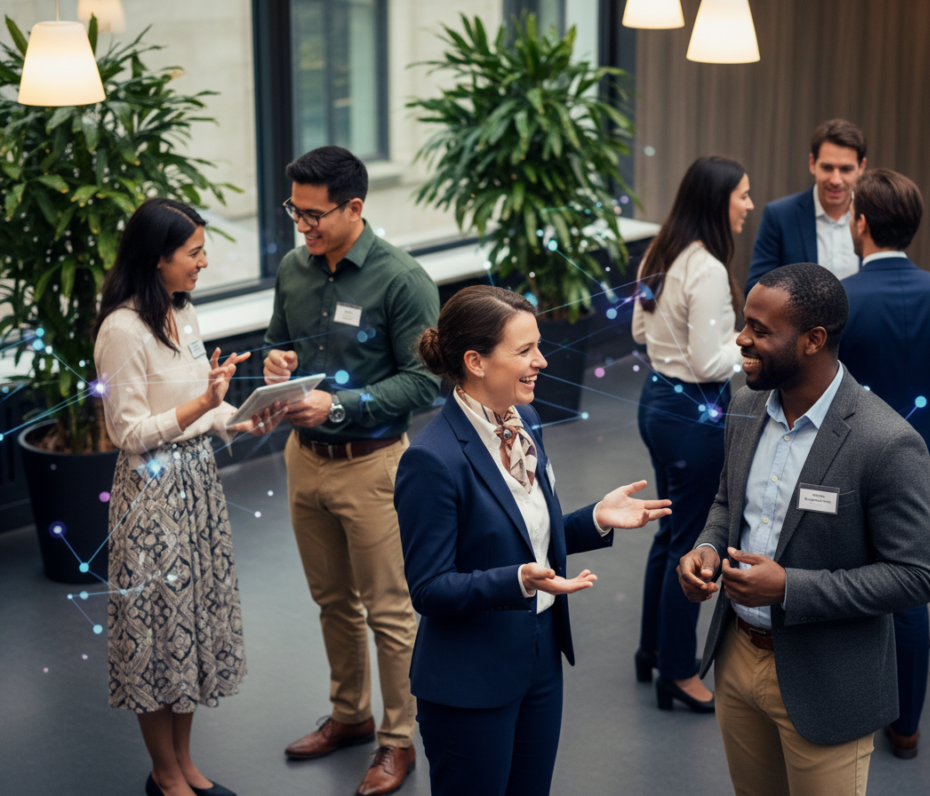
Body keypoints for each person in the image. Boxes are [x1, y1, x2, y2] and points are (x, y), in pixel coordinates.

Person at [395, 285, 671, 796]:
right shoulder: (431, 461)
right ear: (475, 361)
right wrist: (519, 580)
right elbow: (430, 588)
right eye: (524, 350)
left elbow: (524, 535)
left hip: (540, 661)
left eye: (538, 346)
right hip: (469, 682)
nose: (541, 361)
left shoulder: (528, 424)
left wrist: (596, 520)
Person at [678, 263, 930, 796]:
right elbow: (728, 501)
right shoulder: (745, 403)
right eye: (744, 322)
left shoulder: (887, 442)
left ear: (814, 340)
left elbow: (915, 577)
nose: (741, 338)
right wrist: (706, 547)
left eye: (760, 329)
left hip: (828, 681)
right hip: (735, 658)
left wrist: (791, 588)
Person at [262, 145, 440, 794]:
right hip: (302, 462)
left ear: (355, 208)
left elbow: (426, 385)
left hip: (372, 467)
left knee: (389, 611)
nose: (302, 226)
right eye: (295, 211)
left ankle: (399, 740)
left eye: (313, 214)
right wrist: (275, 364)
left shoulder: (402, 280)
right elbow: (275, 340)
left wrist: (338, 405)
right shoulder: (293, 268)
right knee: (331, 601)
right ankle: (349, 716)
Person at [93, 198, 284, 796]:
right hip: (150, 494)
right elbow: (125, 433)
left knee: (190, 627)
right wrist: (200, 408)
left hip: (198, 482)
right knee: (156, 633)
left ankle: (184, 762)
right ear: (158, 260)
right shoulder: (122, 331)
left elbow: (201, 405)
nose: (203, 262)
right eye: (194, 252)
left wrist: (238, 417)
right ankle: (164, 772)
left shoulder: (184, 311)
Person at [841, 168, 930, 758]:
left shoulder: (838, 295)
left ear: (861, 223)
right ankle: (908, 727)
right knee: (911, 592)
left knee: (845, 584)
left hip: (846, 461)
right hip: (921, 459)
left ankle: (850, 713)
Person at [631, 155, 750, 712]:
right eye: (742, 196)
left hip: (657, 404)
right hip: (694, 413)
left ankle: (651, 651)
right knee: (692, 544)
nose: (748, 205)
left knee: (668, 533)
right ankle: (679, 672)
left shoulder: (659, 251)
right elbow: (708, 363)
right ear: (717, 201)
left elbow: (638, 328)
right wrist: (747, 342)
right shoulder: (703, 268)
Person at [745, 120, 867, 293]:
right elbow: (756, 290)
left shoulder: (874, 216)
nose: (835, 180)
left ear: (861, 168)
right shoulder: (780, 216)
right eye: (827, 168)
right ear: (812, 163)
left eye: (846, 169)